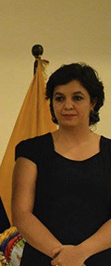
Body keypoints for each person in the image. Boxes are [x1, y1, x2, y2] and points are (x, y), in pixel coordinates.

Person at [13, 63, 111, 266]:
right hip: (43, 258)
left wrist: (79, 254)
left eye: (77, 97)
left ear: (93, 102)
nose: (67, 106)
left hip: (99, 258)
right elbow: (21, 214)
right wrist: (62, 257)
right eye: (59, 98)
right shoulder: (31, 150)